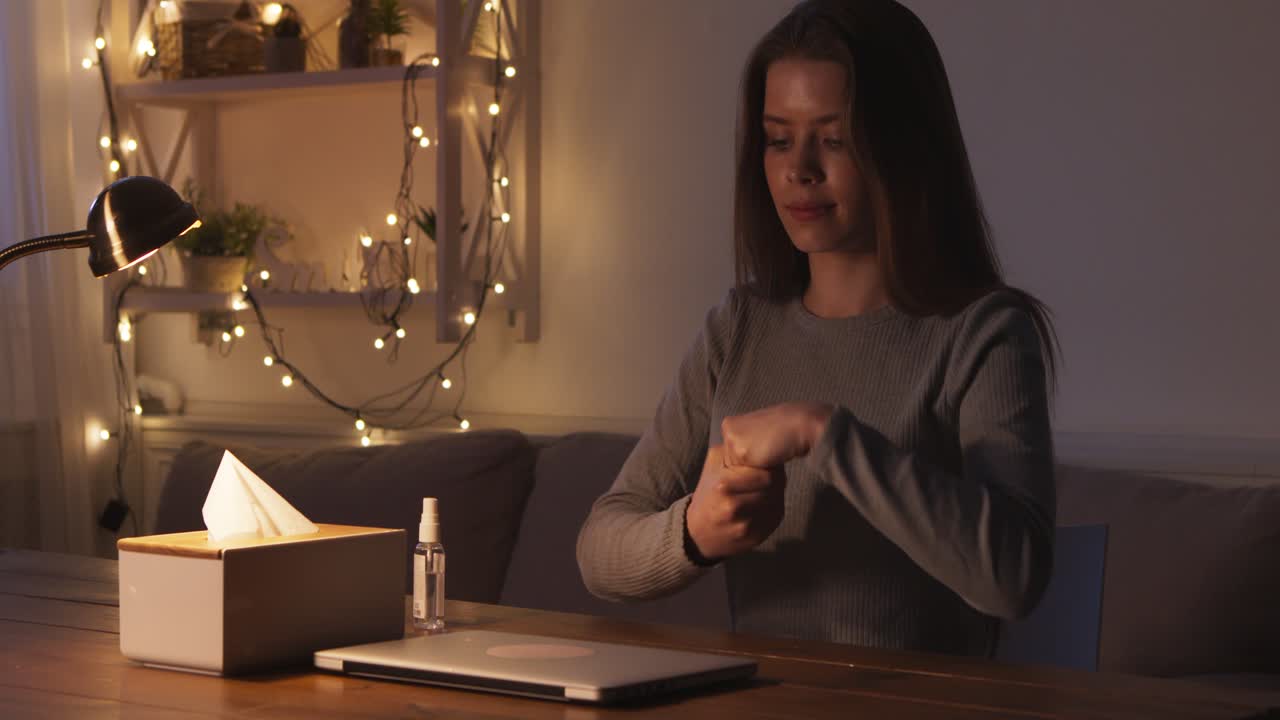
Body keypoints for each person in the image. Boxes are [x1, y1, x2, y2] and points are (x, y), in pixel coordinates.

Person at [575, 0, 1061, 657]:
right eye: (779, 139)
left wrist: (826, 435)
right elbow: (601, 546)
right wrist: (695, 530)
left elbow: (1015, 574)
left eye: (834, 139)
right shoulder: (736, 329)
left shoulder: (983, 333)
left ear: (904, 147)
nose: (800, 168)